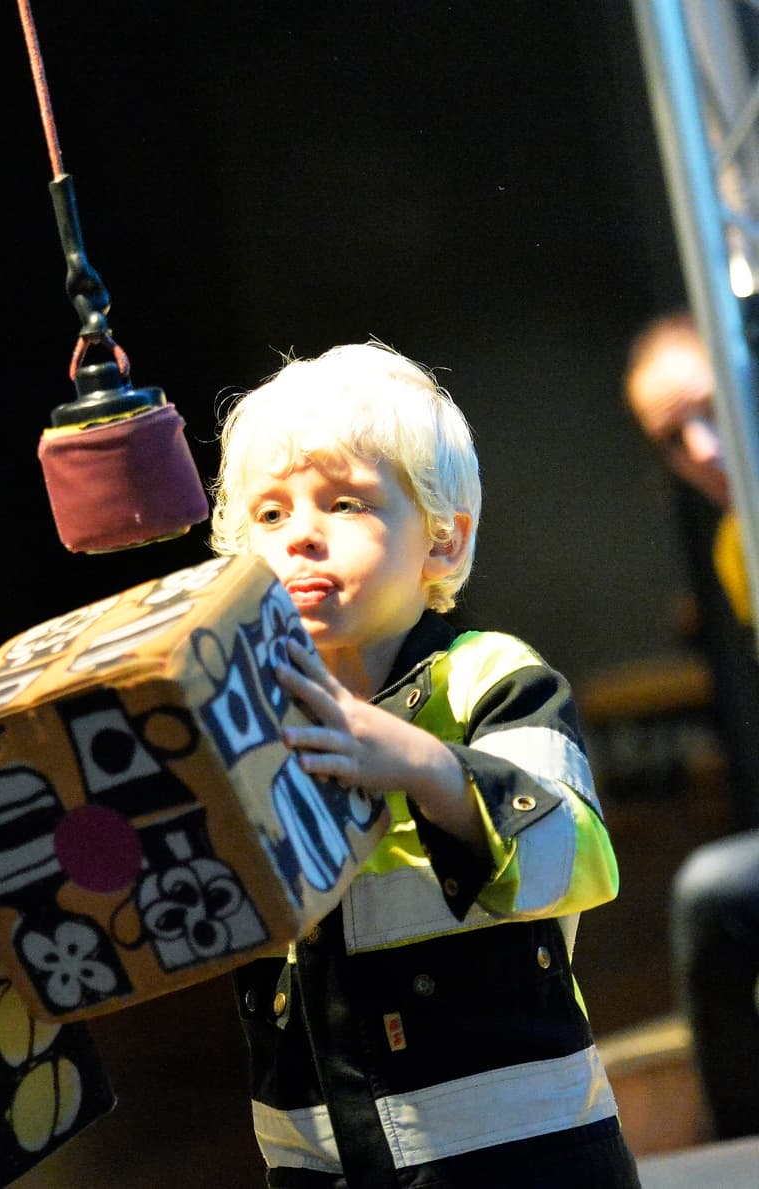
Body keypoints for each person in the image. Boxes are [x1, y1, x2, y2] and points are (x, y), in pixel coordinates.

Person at [209, 342, 637, 1185]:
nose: (301, 534)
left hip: (520, 1151)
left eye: (343, 502)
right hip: (321, 1153)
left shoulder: (489, 673)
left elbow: (577, 856)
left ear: (441, 542)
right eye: (268, 514)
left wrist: (422, 763)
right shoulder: (239, 718)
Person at [624, 312, 759, 1140]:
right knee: (711, 898)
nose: (703, 451)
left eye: (711, 409)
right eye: (675, 437)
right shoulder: (738, 547)